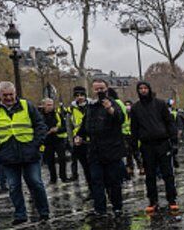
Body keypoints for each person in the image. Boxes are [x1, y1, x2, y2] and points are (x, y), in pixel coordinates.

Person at [0, 81, 51, 225]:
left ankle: (44, 212)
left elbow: (40, 125)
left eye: (11, 94)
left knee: (36, 182)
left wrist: (35, 144)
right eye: (5, 95)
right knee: (14, 186)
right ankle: (20, 214)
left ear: (15, 94)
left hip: (29, 152)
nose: (8, 98)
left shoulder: (28, 106)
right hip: (7, 154)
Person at [75, 78, 126, 217]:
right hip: (94, 150)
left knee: (113, 181)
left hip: (111, 150)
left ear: (107, 88)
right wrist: (79, 136)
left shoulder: (114, 103)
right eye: (96, 89)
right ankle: (100, 209)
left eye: (101, 88)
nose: (99, 91)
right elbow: (85, 125)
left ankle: (117, 206)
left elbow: (120, 119)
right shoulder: (91, 106)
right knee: (96, 180)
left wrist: (109, 108)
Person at [130, 80, 179, 214]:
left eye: (145, 88)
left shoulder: (160, 104)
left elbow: (170, 122)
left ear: (149, 89)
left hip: (162, 143)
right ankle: (152, 200)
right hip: (147, 145)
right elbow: (134, 128)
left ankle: (172, 199)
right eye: (141, 88)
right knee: (150, 175)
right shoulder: (135, 108)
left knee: (168, 173)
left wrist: (174, 141)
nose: (143, 90)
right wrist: (134, 147)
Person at [38, 98, 69, 184]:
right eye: (48, 105)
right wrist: (47, 131)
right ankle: (53, 178)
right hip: (47, 141)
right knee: (50, 161)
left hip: (58, 139)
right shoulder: (39, 116)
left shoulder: (57, 114)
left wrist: (57, 129)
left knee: (62, 159)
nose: (50, 107)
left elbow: (65, 127)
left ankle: (63, 177)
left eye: (51, 104)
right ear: (43, 105)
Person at [68, 85, 91, 186]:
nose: (79, 97)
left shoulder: (92, 106)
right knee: (86, 168)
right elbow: (69, 127)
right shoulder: (71, 109)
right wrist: (71, 142)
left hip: (91, 140)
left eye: (82, 94)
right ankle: (91, 189)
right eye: (77, 95)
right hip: (78, 142)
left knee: (94, 167)